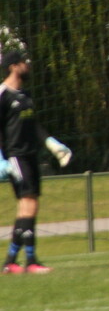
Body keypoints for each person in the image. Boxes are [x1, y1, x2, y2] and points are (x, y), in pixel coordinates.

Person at [0, 50, 72, 274]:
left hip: (31, 155)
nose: (28, 65)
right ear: (13, 66)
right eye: (24, 62)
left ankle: (12, 261)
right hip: (16, 156)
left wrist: (52, 144)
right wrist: (1, 159)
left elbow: (33, 125)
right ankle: (29, 261)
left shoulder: (25, 95)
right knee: (28, 203)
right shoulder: (3, 94)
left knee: (28, 206)